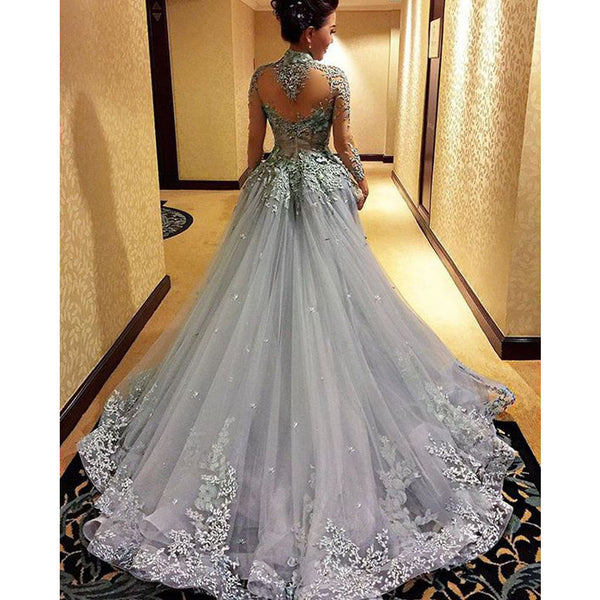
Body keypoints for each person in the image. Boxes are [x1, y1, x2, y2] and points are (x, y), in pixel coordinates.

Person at [76, 1, 517, 598]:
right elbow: (345, 143)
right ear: (309, 31)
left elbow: (253, 147)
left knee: (256, 293)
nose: (334, 38)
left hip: (272, 186)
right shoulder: (332, 80)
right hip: (319, 187)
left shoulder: (260, 77)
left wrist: (250, 190)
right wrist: (359, 180)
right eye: (331, 29)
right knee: (336, 290)